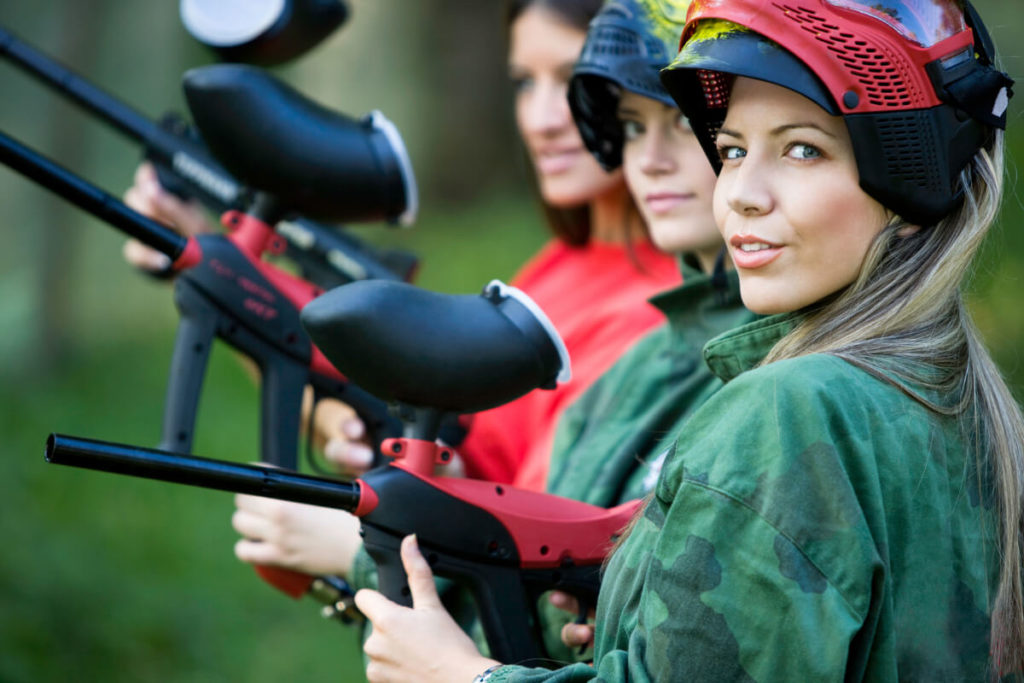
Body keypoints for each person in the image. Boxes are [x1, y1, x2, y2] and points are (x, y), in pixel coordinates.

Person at [352, 0, 1022, 680]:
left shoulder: (790, 410)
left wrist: (459, 675)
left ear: (910, 185)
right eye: (732, 150)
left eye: (802, 148)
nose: (742, 195)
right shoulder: (953, 398)